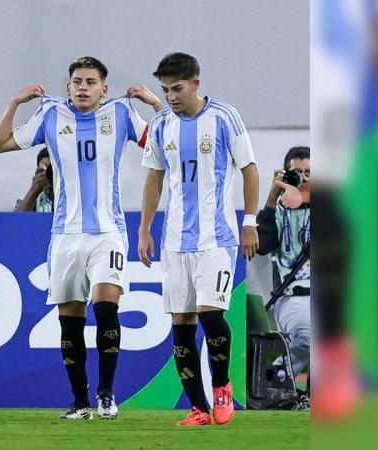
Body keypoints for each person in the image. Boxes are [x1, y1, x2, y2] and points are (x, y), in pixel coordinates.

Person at [0, 56, 162, 420]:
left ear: (104, 89)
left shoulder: (121, 113)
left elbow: (166, 144)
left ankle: (106, 395)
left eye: (90, 82)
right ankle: (80, 402)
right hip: (65, 235)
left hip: (108, 232)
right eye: (77, 82)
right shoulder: (50, 115)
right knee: (70, 319)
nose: (83, 88)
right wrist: (15, 102)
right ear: (68, 87)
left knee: (106, 306)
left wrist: (155, 105)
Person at [137, 52, 260, 426]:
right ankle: (197, 408)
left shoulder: (224, 117)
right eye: (165, 90)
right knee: (181, 324)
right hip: (175, 241)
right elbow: (154, 178)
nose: (171, 96)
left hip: (216, 238)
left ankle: (221, 386)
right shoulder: (161, 124)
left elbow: (250, 170)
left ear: (195, 84)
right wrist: (144, 228)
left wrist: (250, 221)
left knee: (210, 314)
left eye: (177, 88)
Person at [256, 146, 311, 407]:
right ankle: (275, 378)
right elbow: (262, 246)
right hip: (293, 295)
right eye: (297, 173)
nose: (303, 177)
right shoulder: (278, 210)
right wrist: (271, 198)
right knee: (310, 336)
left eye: (309, 172)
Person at [14, 146, 54, 212]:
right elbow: (18, 218)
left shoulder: (71, 198)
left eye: (53, 171)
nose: (50, 175)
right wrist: (34, 191)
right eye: (46, 170)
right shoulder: (26, 200)